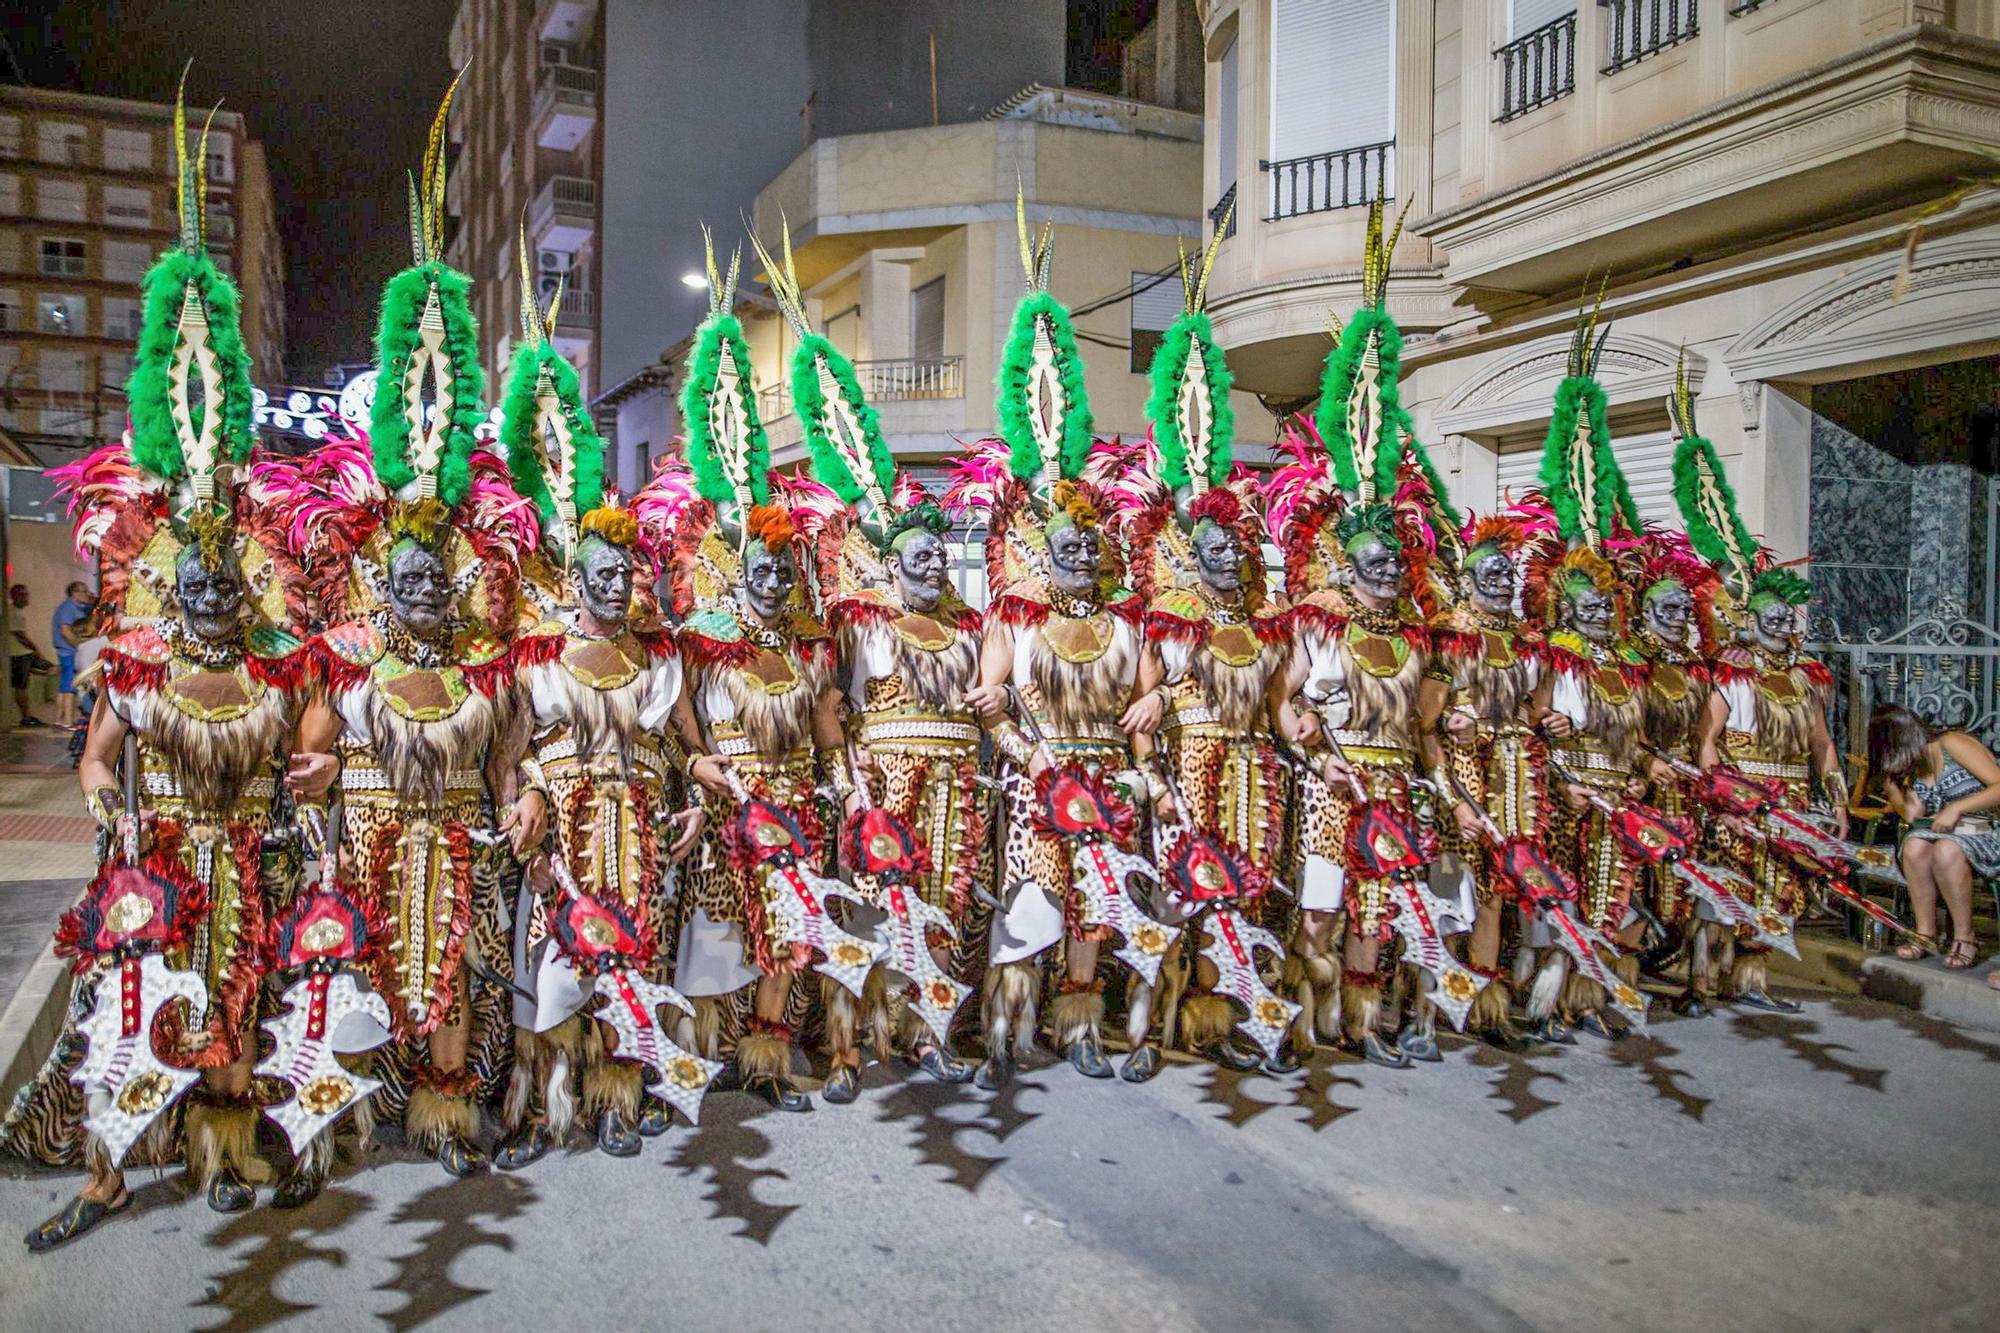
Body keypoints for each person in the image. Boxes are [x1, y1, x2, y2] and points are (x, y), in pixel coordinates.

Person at [14, 98, 313, 1246]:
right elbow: (95, 762)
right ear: (162, 587)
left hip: (242, 852)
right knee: (126, 1016)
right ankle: (104, 1176)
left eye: (219, 583)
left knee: (235, 1002)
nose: (204, 595)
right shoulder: (135, 665)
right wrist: (108, 817)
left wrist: (313, 783)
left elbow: (306, 750)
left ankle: (227, 1147)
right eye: (186, 582)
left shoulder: (272, 664)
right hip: (159, 854)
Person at [275, 82, 533, 1182]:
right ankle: (341, 1117)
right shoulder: (347, 648)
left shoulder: (484, 650)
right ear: (384, 583)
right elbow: (316, 746)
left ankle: (442, 1113)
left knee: (458, 973)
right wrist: (311, 785)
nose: (428, 593)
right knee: (361, 973)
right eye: (409, 579)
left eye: (443, 579)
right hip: (374, 837)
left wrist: (519, 791)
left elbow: (514, 738)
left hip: (460, 837)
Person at [764, 223, 988, 1090]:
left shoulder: (966, 625)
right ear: (886, 565)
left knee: (943, 909)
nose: (932, 564)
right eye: (915, 556)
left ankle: (927, 1029)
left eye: (940, 553)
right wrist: (849, 778)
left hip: (954, 789)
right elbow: (829, 691)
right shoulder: (859, 621)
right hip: (883, 783)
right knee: (864, 910)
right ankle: (848, 1041)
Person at [489, 285, 706, 1166]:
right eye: (599, 577)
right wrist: (524, 811)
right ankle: (540, 1108)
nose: (614, 589)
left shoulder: (661, 657)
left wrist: (696, 797)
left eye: (625, 576)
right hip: (563, 835)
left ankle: (618, 1097)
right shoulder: (537, 655)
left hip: (638, 832)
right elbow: (508, 757)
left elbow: (692, 748)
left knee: (630, 957)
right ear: (575, 581)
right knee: (551, 969)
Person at [951, 210, 1153, 1088]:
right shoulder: (1014, 616)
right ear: (1040, 546)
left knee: (1095, 911)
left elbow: (1146, 708)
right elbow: (987, 704)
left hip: (1107, 780)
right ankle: (1008, 1024)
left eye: (1088, 546)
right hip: (1038, 781)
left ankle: (1078, 1023)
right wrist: (1008, 728)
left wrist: (1154, 717)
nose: (1078, 555)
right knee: (1033, 907)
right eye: (1063, 545)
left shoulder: (1129, 623)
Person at [656, 239, 843, 1113]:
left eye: (784, 570)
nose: (773, 581)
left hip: (794, 798)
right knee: (720, 929)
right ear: (734, 573)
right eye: (760, 570)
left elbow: (825, 723)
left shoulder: (807, 643)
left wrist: (841, 780)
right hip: (731, 795)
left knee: (790, 933)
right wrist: (699, 766)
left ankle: (767, 1057)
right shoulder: (702, 636)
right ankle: (706, 1054)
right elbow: (679, 717)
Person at [1119, 233, 1304, 1076]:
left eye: (1236, 544)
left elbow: (1279, 710)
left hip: (1253, 770)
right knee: (1182, 891)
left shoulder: (1267, 624)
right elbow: (1142, 710)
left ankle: (1231, 1017)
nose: (1228, 555)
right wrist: (1151, 766)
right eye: (1213, 547)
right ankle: (1147, 1025)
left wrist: (1310, 733)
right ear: (1190, 554)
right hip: (1189, 765)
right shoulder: (1165, 617)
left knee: (1249, 892)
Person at [1867, 703, 2000, 972]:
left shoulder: (1952, 744)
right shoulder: (1919, 768)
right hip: (1958, 835)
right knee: (1914, 845)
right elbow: (1912, 817)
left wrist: (1957, 807)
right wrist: (1892, 788)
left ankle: (1965, 938)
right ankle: (1925, 933)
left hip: (1990, 828)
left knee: (1946, 850)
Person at [52, 581, 96, 729]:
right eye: (84, 592)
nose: (87, 594)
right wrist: (80, 646)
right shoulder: (68, 608)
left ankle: (60, 718)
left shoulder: (79, 607)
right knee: (70, 685)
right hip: (68, 651)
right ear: (75, 593)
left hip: (69, 651)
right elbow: (65, 631)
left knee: (65, 685)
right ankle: (67, 720)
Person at [10, 583, 51, 727]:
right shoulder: (14, 613)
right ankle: (26, 716)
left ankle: (27, 715)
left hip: (22, 654)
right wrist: (36, 650)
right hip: (19, 655)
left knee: (46, 670)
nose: (27, 598)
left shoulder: (16, 612)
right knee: (21, 686)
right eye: (23, 595)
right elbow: (20, 636)